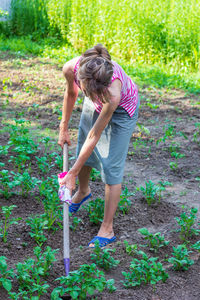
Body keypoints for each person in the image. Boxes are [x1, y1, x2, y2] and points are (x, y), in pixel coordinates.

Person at [58, 44, 139, 247]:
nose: (93, 97)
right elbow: (70, 94)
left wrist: (72, 173)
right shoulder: (72, 69)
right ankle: (83, 192)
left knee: (111, 166)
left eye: (96, 95)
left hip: (122, 111)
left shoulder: (112, 93)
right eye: (89, 93)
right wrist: (63, 127)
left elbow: (95, 135)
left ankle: (107, 228)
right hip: (97, 96)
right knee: (82, 152)